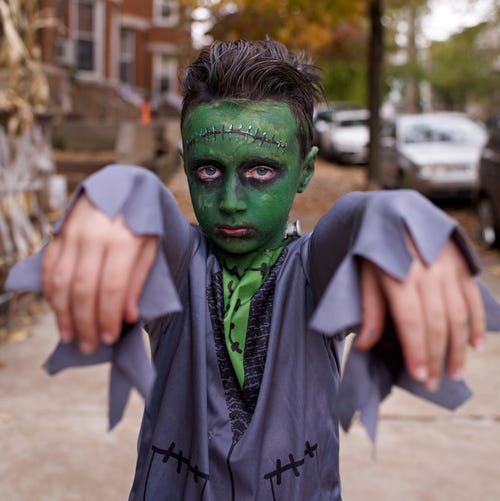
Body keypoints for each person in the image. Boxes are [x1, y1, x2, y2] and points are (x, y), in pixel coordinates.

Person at [6, 40, 499, 500]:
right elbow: (147, 206)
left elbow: (352, 224)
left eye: (261, 171)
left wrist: (395, 218)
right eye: (207, 171)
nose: (231, 202)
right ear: (185, 165)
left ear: (304, 169)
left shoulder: (314, 276)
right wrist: (116, 192)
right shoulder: (178, 269)